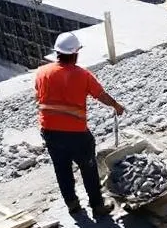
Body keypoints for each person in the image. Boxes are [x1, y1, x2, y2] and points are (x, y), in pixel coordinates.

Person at [34, 32, 126, 216]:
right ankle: (97, 205)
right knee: (88, 168)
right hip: (76, 133)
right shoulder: (82, 75)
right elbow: (101, 95)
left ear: (57, 53)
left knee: (62, 169)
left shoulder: (42, 72)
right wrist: (116, 106)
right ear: (75, 53)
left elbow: (38, 94)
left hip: (49, 131)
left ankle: (72, 204)